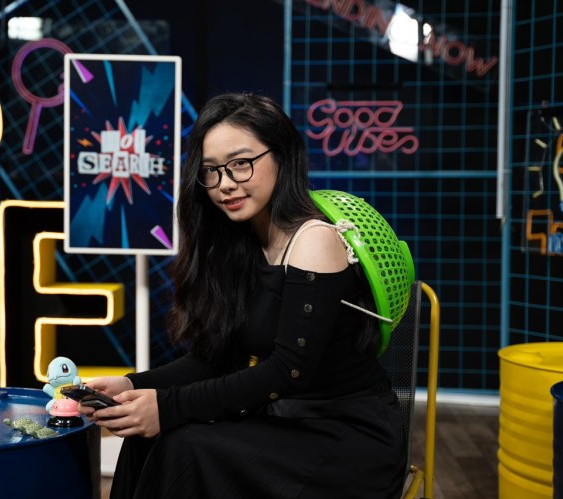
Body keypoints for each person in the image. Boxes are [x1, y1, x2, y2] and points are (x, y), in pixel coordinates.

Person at [78, 92, 407, 498]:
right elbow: (216, 357)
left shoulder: (314, 239)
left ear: (282, 156)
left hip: (343, 436)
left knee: (183, 444)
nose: (225, 184)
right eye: (211, 171)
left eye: (240, 163)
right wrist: (130, 384)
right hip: (283, 418)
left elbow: (288, 371)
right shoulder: (241, 243)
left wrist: (166, 407)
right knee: (146, 436)